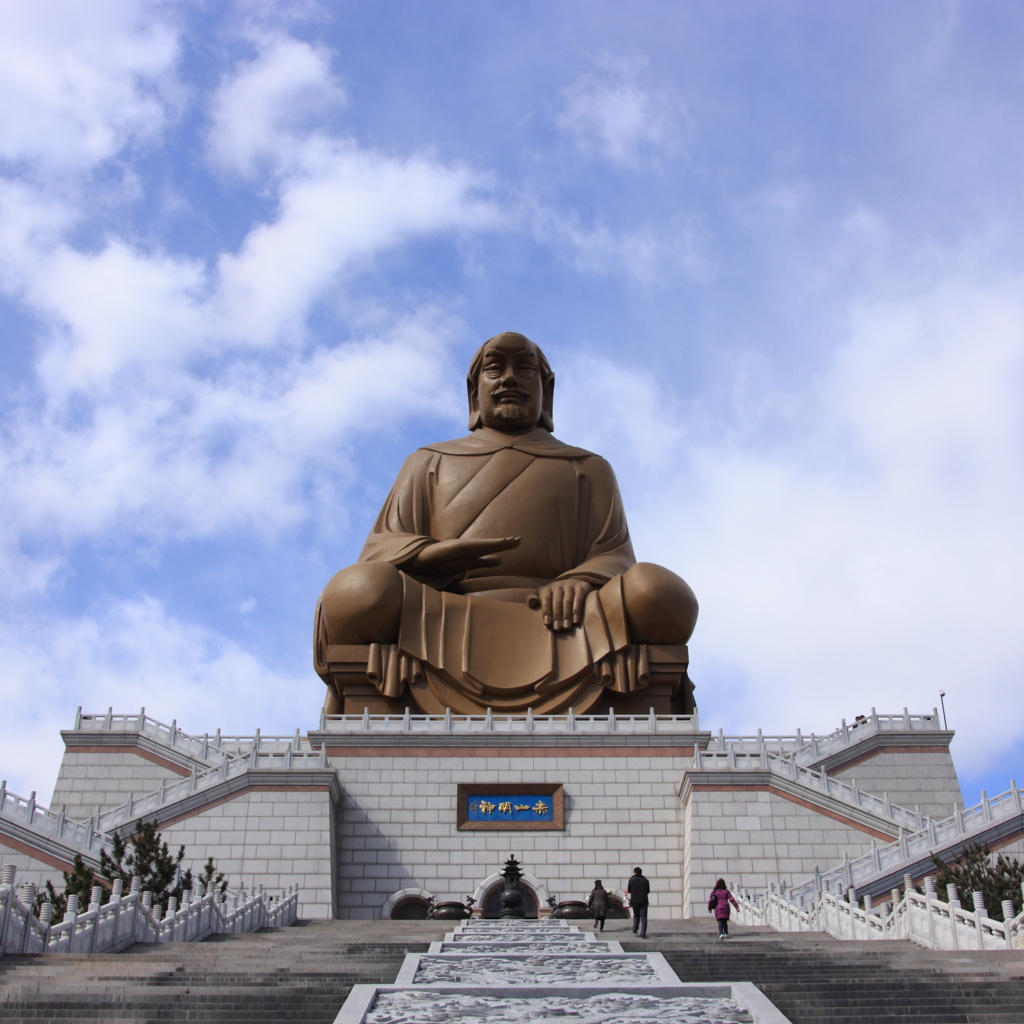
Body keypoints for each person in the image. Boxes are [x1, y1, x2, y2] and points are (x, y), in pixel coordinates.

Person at [314, 332, 698, 716]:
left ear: (546, 391)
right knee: (354, 591)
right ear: (473, 391)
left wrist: (580, 580)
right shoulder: (429, 461)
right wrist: (431, 557)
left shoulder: (586, 467)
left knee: (657, 591)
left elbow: (614, 555)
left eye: (525, 369)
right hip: (442, 611)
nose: (509, 379)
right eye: (495, 368)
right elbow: (380, 551)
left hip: (569, 619)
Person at [627, 866, 650, 938]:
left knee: (636, 914)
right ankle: (643, 933)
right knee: (644, 917)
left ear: (634, 873)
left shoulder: (631, 880)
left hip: (635, 900)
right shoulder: (645, 880)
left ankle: (635, 927)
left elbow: (629, 890)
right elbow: (648, 891)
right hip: (643, 900)